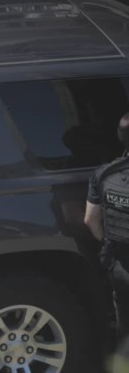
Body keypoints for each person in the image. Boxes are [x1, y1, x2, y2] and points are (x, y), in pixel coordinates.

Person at [84, 112, 129, 339]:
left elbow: (90, 220)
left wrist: (109, 241)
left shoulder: (103, 173)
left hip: (120, 264)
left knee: (124, 336)